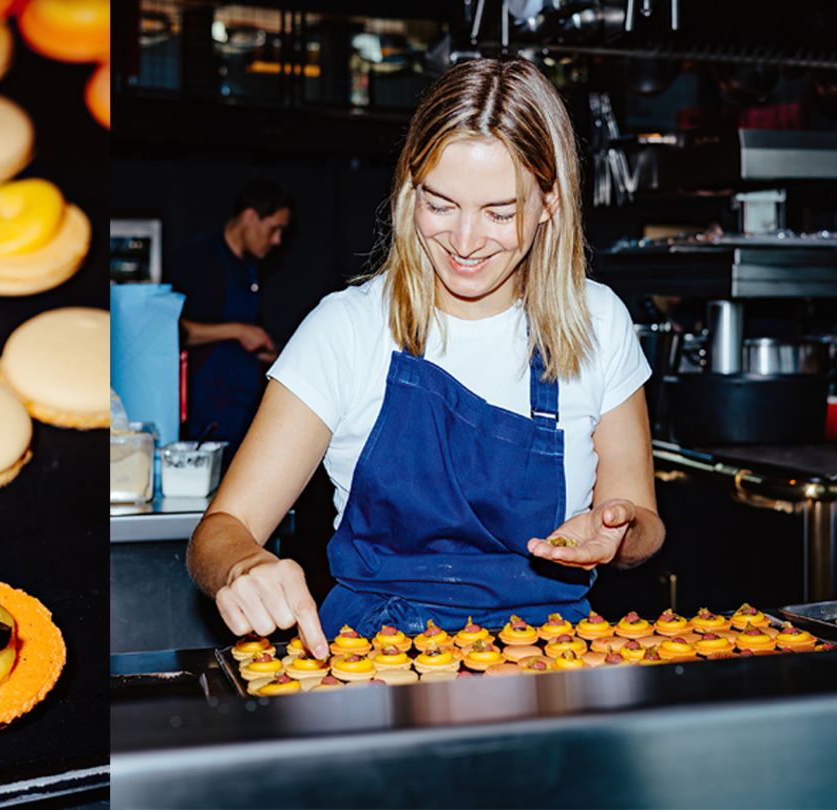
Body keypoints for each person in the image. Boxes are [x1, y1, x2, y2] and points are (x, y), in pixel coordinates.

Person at [186, 58, 665, 660]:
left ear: (549, 202)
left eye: (500, 213)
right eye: (440, 205)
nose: (465, 243)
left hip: (549, 659)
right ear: (411, 188)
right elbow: (219, 531)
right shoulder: (348, 329)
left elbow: (643, 523)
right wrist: (243, 566)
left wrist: (618, 532)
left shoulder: (598, 322)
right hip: (377, 660)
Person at [167, 179, 291, 444]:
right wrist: (238, 331)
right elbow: (171, 329)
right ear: (249, 217)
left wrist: (263, 353)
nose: (277, 240)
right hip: (204, 411)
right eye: (274, 229)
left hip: (242, 408)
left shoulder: (250, 267)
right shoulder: (195, 259)